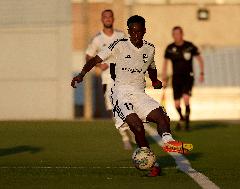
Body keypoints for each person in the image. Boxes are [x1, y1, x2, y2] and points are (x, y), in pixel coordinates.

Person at [71, 15, 193, 177]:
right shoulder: (119, 45)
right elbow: (94, 60)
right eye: (133, 31)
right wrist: (81, 75)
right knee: (137, 127)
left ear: (144, 31)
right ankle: (153, 164)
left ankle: (169, 143)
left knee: (162, 116)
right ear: (128, 31)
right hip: (121, 93)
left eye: (139, 31)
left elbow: (151, 66)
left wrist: (155, 80)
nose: (136, 34)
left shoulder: (149, 48)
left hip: (139, 93)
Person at [85, 9, 133, 150]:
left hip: (123, 77)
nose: (107, 19)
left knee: (127, 105)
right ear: (102, 19)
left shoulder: (121, 35)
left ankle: (131, 129)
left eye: (109, 16)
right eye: (105, 17)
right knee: (114, 109)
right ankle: (125, 136)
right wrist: (99, 64)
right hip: (108, 79)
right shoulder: (97, 39)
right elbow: (88, 55)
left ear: (113, 19)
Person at [162, 26, 204, 131]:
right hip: (176, 78)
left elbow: (199, 59)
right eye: (174, 34)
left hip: (188, 77)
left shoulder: (189, 46)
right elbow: (165, 63)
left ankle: (187, 123)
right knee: (176, 103)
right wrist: (164, 77)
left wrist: (202, 73)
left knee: (186, 98)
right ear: (173, 36)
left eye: (178, 33)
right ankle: (181, 118)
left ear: (182, 34)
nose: (177, 36)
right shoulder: (170, 48)